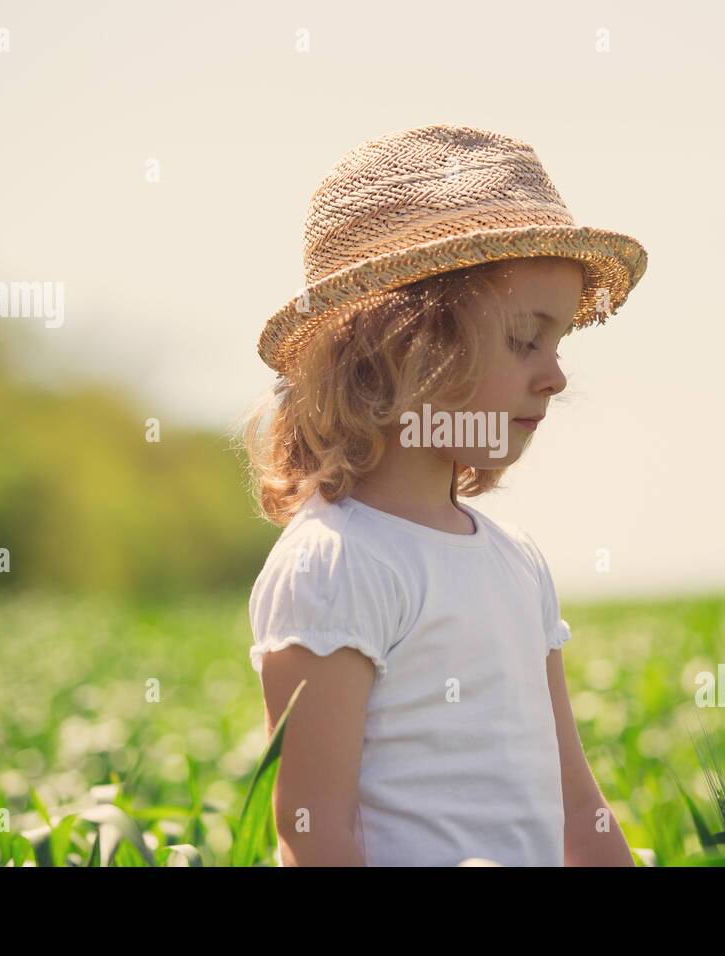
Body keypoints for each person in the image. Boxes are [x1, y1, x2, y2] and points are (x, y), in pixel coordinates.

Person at [234, 124, 648, 866]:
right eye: (526, 338)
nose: (555, 376)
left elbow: (576, 805)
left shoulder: (516, 561)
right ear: (403, 348)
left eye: (559, 346)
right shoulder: (336, 564)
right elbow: (313, 832)